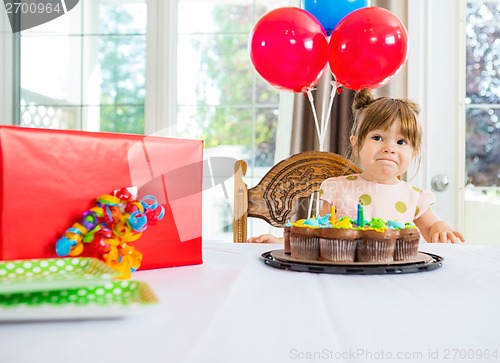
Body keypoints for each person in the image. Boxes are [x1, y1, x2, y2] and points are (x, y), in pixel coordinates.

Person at [248, 88, 465, 244]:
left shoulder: (415, 198)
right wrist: (280, 241)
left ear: (414, 152)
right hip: (344, 275)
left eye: (401, 142)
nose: (390, 148)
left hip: (394, 280)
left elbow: (431, 230)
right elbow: (315, 230)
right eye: (378, 137)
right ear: (356, 142)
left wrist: (440, 227)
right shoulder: (337, 188)